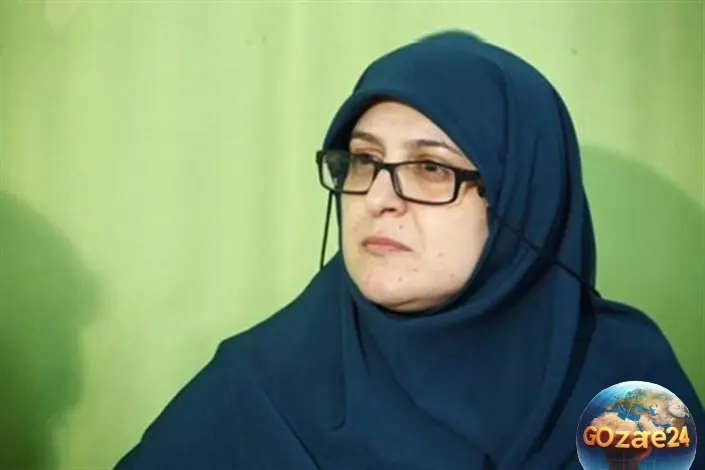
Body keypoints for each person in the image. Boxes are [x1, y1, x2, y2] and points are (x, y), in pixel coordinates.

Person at [115, 30, 704, 470]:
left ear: (522, 199)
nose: (377, 199)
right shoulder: (261, 385)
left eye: (431, 167)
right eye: (364, 160)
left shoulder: (625, 390)